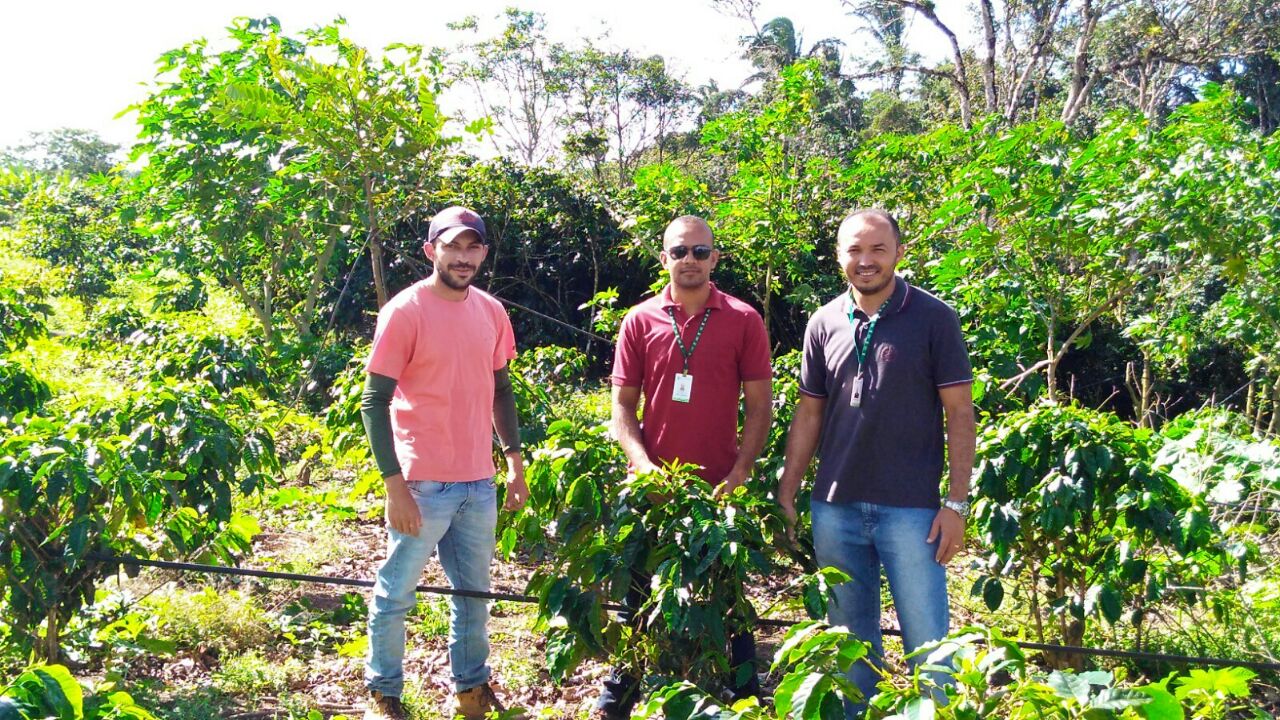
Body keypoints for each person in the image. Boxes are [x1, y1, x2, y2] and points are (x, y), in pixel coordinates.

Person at [776, 209, 975, 715]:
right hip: (835, 509)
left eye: (877, 249)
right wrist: (789, 488)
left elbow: (959, 413)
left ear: (899, 252)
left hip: (911, 512)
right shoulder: (823, 321)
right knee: (850, 651)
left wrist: (956, 503)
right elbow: (809, 413)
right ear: (839, 256)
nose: (865, 261)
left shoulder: (934, 318)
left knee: (930, 650)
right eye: (854, 250)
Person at [360, 206, 530, 720]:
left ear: (482, 253)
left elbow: (501, 389)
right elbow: (374, 401)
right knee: (396, 594)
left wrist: (514, 462)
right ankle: (384, 693)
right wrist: (395, 487)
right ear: (431, 250)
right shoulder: (406, 311)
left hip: (479, 480)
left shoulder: (491, 311)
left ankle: (471, 689)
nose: (462, 257)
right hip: (423, 482)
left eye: (472, 247)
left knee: (474, 594)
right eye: (452, 247)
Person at [601, 215, 773, 718]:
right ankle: (619, 699)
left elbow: (760, 406)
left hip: (721, 490)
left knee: (732, 601)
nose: (690, 261)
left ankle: (745, 698)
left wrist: (739, 473)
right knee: (639, 596)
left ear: (715, 258)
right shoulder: (640, 320)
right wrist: (642, 466)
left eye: (700, 252)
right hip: (655, 491)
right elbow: (622, 407)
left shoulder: (743, 319)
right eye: (679, 252)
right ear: (664, 259)